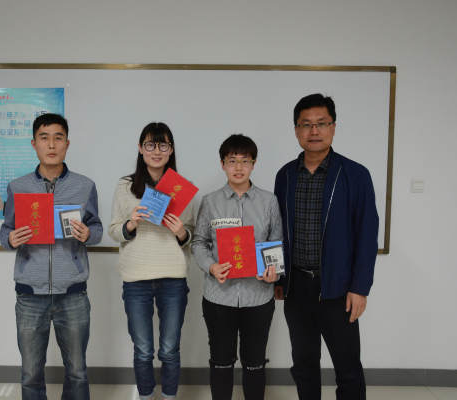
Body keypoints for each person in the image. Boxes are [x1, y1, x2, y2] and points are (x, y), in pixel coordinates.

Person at [274, 93, 379, 400]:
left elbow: (367, 234)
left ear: (333, 127)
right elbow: (277, 229)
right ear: (296, 129)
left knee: (348, 368)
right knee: (303, 365)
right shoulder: (285, 175)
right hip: (297, 288)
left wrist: (360, 287)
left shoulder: (355, 174)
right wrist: (279, 277)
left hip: (338, 289)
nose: (314, 131)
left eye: (321, 123)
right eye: (306, 124)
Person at [0, 113, 103, 400]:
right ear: (34, 144)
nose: (52, 145)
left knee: (77, 371)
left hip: (73, 293)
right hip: (30, 295)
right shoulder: (18, 187)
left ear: (67, 144)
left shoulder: (85, 186)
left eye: (58, 138)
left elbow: (97, 229)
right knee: (31, 373)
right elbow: (6, 230)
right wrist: (10, 239)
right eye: (44, 138)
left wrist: (88, 234)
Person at [191, 134, 282, 400]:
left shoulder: (269, 201)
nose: (239, 167)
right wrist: (211, 267)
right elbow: (199, 242)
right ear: (223, 164)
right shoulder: (210, 201)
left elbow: (276, 243)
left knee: (255, 363)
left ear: (254, 164)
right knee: (221, 361)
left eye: (245, 161)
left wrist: (274, 272)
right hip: (219, 297)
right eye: (232, 161)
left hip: (258, 297)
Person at [109, 122, 195, 400]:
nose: (156, 151)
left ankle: (169, 396)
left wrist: (181, 232)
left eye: (163, 145)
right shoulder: (125, 186)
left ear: (171, 150)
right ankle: (145, 395)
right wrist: (131, 224)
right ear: (140, 148)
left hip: (173, 277)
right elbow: (114, 230)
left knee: (169, 349)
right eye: (150, 144)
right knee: (143, 349)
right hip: (136, 278)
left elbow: (192, 235)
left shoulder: (181, 188)